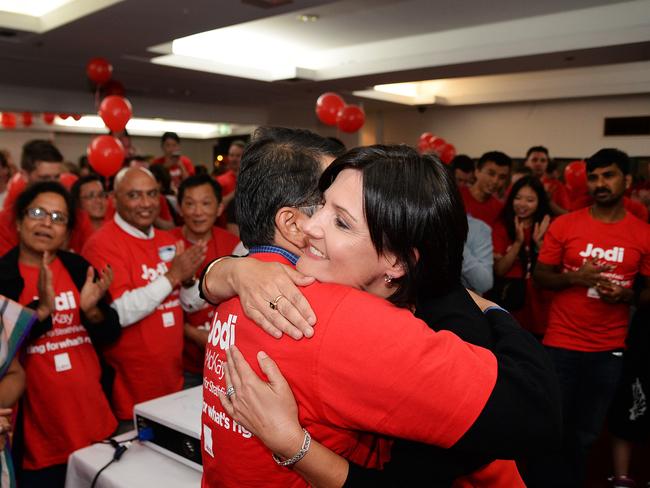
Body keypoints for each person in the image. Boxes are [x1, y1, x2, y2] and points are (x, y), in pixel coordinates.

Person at [199, 141, 560, 487]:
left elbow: (537, 412)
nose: (309, 226)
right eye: (321, 204)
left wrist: (295, 447)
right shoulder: (278, 281)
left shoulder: (426, 323)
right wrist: (227, 270)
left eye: (341, 221)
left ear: (397, 261)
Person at [532, 148, 650, 487]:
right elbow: (541, 276)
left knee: (586, 433)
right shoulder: (566, 224)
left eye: (608, 175)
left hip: (609, 349)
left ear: (626, 181)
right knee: (552, 428)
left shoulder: (642, 234)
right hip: (561, 345)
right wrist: (575, 277)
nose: (600, 183)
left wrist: (627, 296)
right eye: (594, 177)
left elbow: (647, 294)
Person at [0, 181, 120, 488]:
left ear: (67, 232)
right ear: (18, 220)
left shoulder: (78, 267)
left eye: (58, 218)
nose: (46, 223)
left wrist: (92, 312)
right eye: (38, 212)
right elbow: (3, 351)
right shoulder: (4, 279)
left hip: (96, 425)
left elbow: (109, 333)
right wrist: (39, 312)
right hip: (39, 441)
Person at [81, 167, 206, 425]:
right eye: (135, 195)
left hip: (173, 379)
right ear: (114, 199)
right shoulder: (102, 243)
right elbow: (118, 312)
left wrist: (188, 278)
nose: (147, 203)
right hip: (130, 390)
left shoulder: (166, 238)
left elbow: (187, 304)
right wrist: (172, 276)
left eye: (152, 194)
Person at [170, 175, 239, 388]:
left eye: (206, 203)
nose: (198, 212)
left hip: (228, 363)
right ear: (180, 208)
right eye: (190, 204)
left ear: (219, 208)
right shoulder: (165, 245)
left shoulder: (233, 243)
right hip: (183, 365)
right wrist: (192, 334)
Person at [0, 140, 94, 255]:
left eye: (56, 177)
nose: (52, 184)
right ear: (24, 176)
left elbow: (88, 263)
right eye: (44, 178)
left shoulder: (78, 218)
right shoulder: (5, 223)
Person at [490, 176, 552, 338]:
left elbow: (552, 271)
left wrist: (540, 246)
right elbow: (500, 270)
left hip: (539, 304)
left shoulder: (548, 226)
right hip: (510, 300)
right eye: (518, 198)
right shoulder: (502, 226)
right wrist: (518, 243)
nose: (522, 204)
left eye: (530, 200)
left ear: (540, 202)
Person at [460, 151, 511, 227]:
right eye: (491, 174)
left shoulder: (499, 209)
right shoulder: (455, 196)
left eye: (502, 177)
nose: (495, 181)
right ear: (477, 172)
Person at [524, 146, 569, 216]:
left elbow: (566, 214)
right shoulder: (519, 183)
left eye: (543, 160)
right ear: (526, 163)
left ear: (547, 163)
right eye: (534, 160)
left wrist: (549, 201)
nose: (538, 164)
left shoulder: (556, 186)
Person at [462, 214, 494, 294]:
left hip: (462, 301)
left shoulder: (478, 228)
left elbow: (484, 284)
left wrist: (457, 245)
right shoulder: (427, 224)